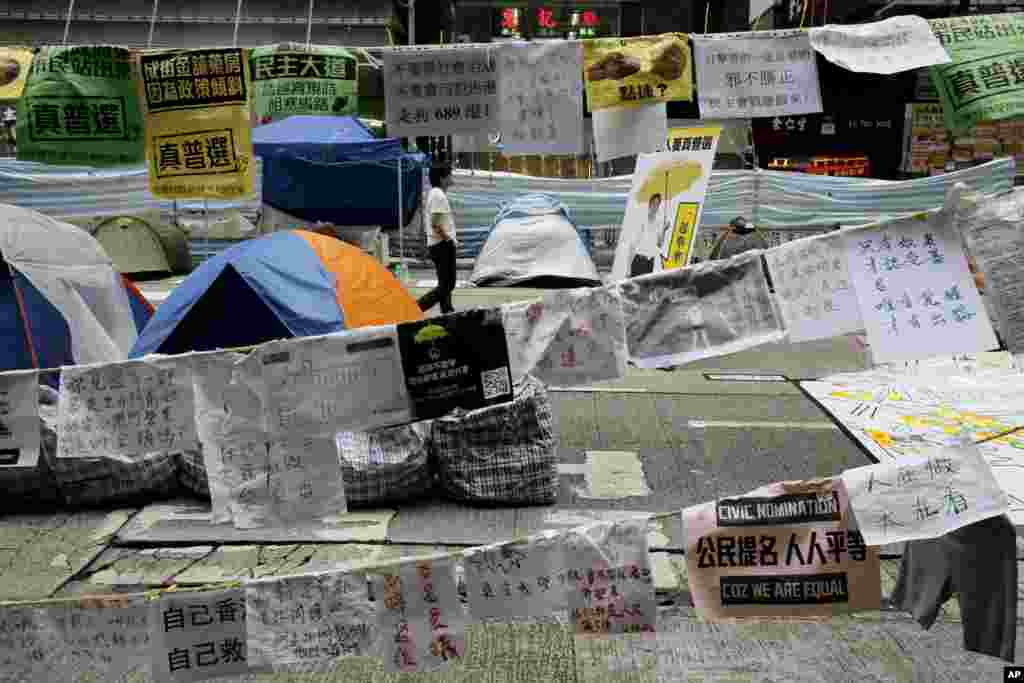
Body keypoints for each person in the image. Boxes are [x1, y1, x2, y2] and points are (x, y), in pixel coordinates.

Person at [417, 163, 458, 315]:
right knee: (448, 285)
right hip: (442, 245)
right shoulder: (438, 195)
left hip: (438, 244)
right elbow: (435, 224)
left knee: (444, 283)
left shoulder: (435, 193)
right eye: (449, 174)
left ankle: (447, 311)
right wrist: (448, 239)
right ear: (442, 178)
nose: (451, 177)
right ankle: (416, 308)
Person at [629, 193, 663, 277]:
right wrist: (628, 267)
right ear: (650, 204)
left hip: (650, 261)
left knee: (647, 285)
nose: (655, 206)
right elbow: (633, 243)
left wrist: (664, 230)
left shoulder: (658, 222)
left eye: (657, 204)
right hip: (639, 260)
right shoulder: (641, 219)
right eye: (654, 203)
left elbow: (659, 244)